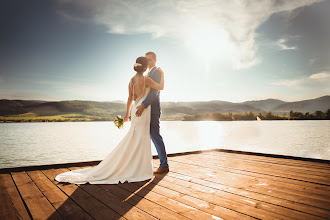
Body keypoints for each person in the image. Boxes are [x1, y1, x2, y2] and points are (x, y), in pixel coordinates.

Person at [54, 56, 164, 184]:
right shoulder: (147, 79)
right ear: (145, 67)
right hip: (143, 111)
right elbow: (160, 87)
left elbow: (129, 98)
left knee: (135, 136)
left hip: (135, 110)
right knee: (142, 137)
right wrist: (161, 74)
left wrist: (127, 114)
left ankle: (133, 165)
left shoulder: (131, 81)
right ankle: (139, 168)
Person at [136, 52, 169, 174]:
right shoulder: (148, 74)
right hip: (146, 110)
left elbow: (154, 93)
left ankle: (164, 165)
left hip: (153, 110)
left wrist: (143, 105)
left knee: (155, 135)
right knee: (148, 135)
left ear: (155, 60)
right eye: (146, 60)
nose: (148, 62)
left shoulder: (156, 72)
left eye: (150, 60)